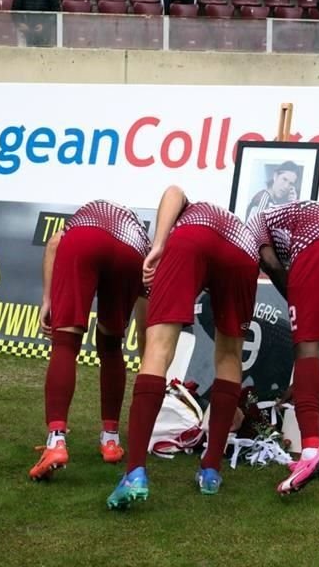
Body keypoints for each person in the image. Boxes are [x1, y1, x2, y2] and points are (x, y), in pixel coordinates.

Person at [106, 185, 260, 509]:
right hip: (243, 251)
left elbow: (173, 190)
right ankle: (211, 471)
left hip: (194, 237)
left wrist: (159, 244)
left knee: (159, 350)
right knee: (230, 355)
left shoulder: (184, 220)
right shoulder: (222, 217)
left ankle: (134, 472)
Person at [245, 200, 319, 495]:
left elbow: (271, 263)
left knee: (307, 349)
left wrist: (298, 297)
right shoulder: (287, 214)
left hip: (317, 245)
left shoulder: (254, 223)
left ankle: (309, 449)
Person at [29, 200, 150, 481]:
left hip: (85, 238)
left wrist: (47, 300)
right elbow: (145, 323)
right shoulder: (142, 238)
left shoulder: (87, 215)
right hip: (130, 253)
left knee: (65, 343)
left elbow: (54, 243)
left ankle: (56, 442)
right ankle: (111, 440)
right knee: (111, 346)